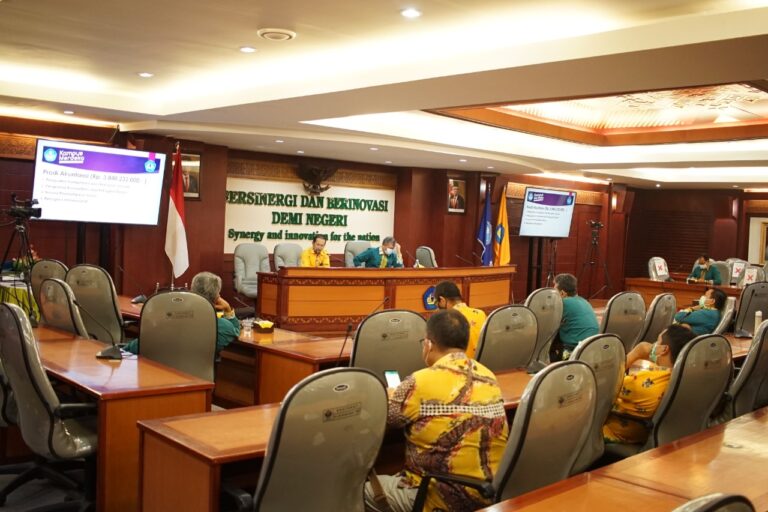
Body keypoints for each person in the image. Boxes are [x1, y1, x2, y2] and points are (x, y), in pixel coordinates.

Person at [364, 309, 509, 512]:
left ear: (428, 344)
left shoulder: (419, 381)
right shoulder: (489, 376)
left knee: (356, 491)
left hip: (438, 500)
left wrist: (391, 395)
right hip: (488, 493)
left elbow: (386, 420)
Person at [603, 324, 696, 444]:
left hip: (618, 433)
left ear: (664, 349)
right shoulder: (680, 377)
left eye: (657, 341)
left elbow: (606, 386)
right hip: (650, 434)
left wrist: (636, 353)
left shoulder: (644, 382)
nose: (653, 345)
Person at [123, 271, 240, 355]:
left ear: (191, 290)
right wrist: (228, 309)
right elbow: (234, 330)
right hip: (200, 383)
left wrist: (121, 350)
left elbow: (139, 345)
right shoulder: (220, 326)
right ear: (217, 297)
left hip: (162, 379)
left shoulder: (168, 318)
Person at [551, 273, 599, 360]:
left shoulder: (563, 303)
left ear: (562, 293)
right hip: (593, 348)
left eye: (555, 290)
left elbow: (548, 325)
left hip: (575, 350)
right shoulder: (584, 301)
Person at [433, 280, 486, 358]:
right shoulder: (481, 314)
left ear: (442, 300)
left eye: (436, 302)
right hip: (482, 367)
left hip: (461, 367)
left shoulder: (445, 320)